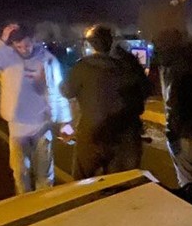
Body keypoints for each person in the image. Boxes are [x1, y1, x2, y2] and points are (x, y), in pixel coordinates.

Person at [0, 22, 73, 194]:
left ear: (34, 40)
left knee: (45, 173)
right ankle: (24, 205)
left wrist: (66, 121)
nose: (23, 49)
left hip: (42, 124)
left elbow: (58, 91)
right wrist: (1, 40)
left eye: (27, 44)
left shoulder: (48, 60)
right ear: (13, 45)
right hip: (17, 126)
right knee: (21, 173)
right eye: (18, 46)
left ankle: (45, 208)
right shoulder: (7, 57)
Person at [59, 25, 149, 179]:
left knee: (82, 184)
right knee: (120, 185)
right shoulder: (129, 66)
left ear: (91, 45)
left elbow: (67, 91)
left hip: (92, 134)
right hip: (125, 137)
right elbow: (145, 91)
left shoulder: (83, 67)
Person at [150, 29, 192, 185]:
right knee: (190, 176)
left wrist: (172, 136)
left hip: (183, 136)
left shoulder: (176, 72)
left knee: (187, 184)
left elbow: (174, 105)